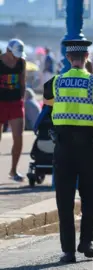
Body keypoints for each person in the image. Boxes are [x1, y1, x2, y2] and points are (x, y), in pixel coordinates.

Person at [42, 40, 93, 263]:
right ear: (87, 56)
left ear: (67, 57)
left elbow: (47, 102)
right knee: (90, 196)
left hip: (63, 148)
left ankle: (68, 251)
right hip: (87, 147)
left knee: (64, 198)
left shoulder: (56, 82)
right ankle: (87, 242)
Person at [0, 39, 27, 181]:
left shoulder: (22, 62)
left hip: (16, 102)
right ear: (7, 50)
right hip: (0, 103)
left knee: (18, 138)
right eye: (14, 54)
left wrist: (22, 100)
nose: (17, 56)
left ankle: (13, 171)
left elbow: (23, 83)